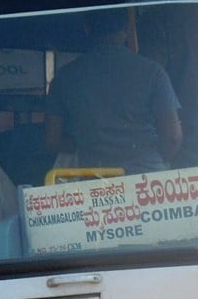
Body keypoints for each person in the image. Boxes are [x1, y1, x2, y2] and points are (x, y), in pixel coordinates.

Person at [44, 9, 182, 175]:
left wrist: (82, 143)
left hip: (96, 182)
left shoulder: (64, 77)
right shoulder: (153, 72)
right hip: (149, 181)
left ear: (87, 28)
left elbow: (52, 141)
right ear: (127, 28)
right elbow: (173, 137)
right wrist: (156, 161)